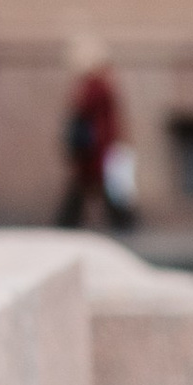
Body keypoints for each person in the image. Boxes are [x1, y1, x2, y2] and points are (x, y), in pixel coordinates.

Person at [54, 34, 139, 237]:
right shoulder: (104, 84)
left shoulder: (95, 86)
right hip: (99, 145)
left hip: (96, 146)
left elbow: (82, 108)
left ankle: (68, 221)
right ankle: (121, 221)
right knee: (96, 186)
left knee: (95, 185)